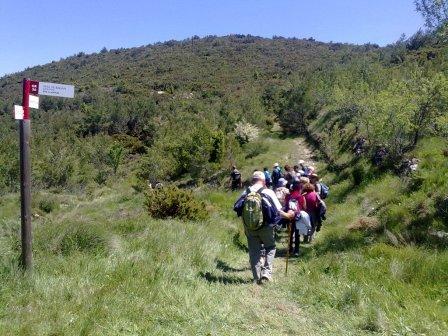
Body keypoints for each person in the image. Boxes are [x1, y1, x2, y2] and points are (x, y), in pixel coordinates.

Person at [234, 171, 288, 284]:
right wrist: (288, 215)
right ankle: (266, 273)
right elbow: (279, 210)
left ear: (253, 180)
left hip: (249, 227)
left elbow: (237, 207)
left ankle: (256, 277)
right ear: (263, 181)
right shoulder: (268, 191)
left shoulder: (246, 191)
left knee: (254, 251)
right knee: (271, 247)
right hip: (266, 226)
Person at [284, 181, 307, 256]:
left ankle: (290, 249)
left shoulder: (287, 196)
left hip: (289, 217)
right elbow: (304, 207)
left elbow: (285, 206)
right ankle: (296, 251)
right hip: (297, 218)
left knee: (290, 234)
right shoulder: (301, 197)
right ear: (300, 188)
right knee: (297, 235)